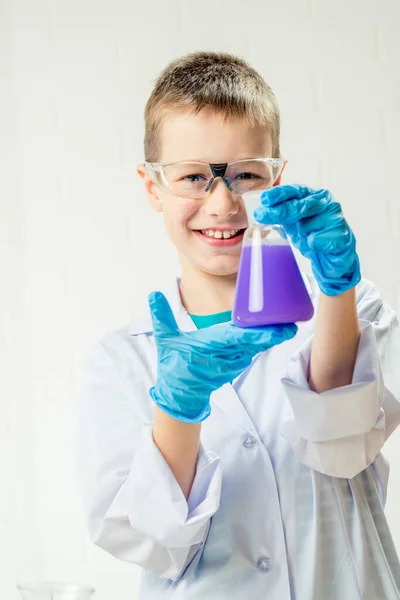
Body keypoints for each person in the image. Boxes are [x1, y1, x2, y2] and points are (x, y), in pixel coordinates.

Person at [77, 51, 400, 599]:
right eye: (194, 178)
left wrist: (336, 291)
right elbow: (153, 542)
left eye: (246, 175)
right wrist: (177, 409)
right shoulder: (122, 360)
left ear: (278, 178)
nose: (224, 202)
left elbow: (345, 448)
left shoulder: (349, 306)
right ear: (153, 186)